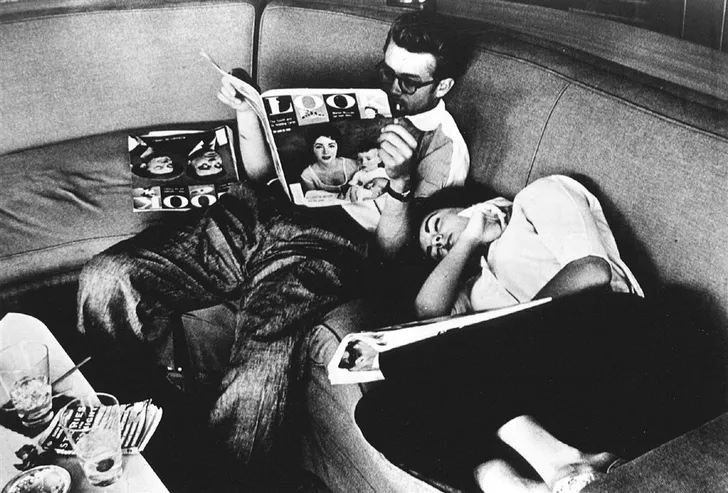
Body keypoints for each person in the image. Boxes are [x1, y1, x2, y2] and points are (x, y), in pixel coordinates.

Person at [77, 9, 476, 477]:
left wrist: (400, 183)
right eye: (386, 72)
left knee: (258, 376)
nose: (391, 89)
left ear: (442, 86)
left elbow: (396, 259)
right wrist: (248, 112)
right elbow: (265, 175)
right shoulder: (359, 104)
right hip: (255, 213)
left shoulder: (444, 150)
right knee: (107, 278)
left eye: (407, 83)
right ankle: (122, 426)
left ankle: (222, 483)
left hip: (327, 248)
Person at [355, 175, 693, 493]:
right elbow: (427, 310)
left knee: (453, 362)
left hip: (614, 338)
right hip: (557, 394)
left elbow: (592, 270)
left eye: (436, 225)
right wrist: (468, 240)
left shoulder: (536, 198)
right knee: (378, 410)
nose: (438, 241)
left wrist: (503, 328)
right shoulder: (476, 287)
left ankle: (538, 468)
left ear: (465, 202)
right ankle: (531, 480)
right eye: (434, 250)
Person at [299, 124, 358, 193]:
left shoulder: (354, 165)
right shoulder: (307, 175)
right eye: (319, 147)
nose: (326, 152)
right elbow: (312, 198)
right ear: (312, 149)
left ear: (337, 147)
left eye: (331, 146)